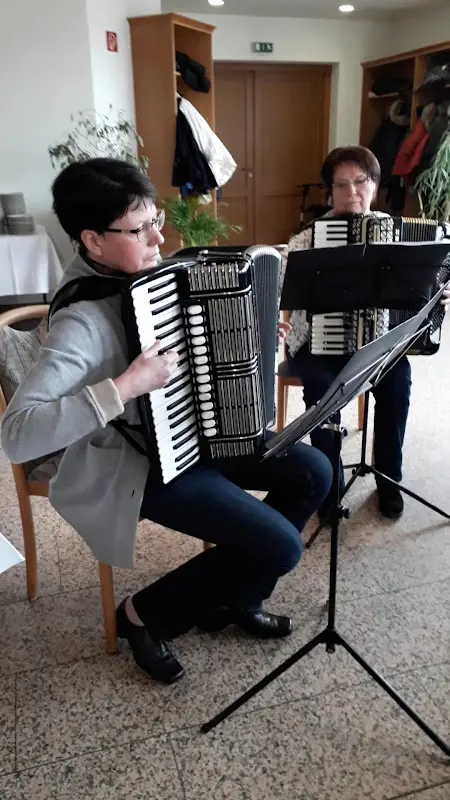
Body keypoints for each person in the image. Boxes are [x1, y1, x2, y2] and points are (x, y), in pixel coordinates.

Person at [1, 158, 333, 685]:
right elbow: (17, 436)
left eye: (156, 219)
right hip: (142, 462)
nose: (159, 237)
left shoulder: (143, 274)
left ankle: (235, 596)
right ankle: (144, 614)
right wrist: (126, 385)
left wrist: (251, 340)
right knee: (284, 546)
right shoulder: (81, 322)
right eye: (140, 228)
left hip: (198, 428)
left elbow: (195, 345)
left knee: (314, 470)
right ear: (92, 240)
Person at [284, 145, 450, 519]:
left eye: (360, 182)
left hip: (379, 343)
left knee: (397, 388)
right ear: (330, 192)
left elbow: (427, 286)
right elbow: (282, 290)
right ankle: (325, 490)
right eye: (341, 185)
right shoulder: (308, 239)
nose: (352, 192)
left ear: (374, 185)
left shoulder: (398, 235)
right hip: (318, 345)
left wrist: (441, 290)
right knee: (322, 397)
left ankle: (389, 480)